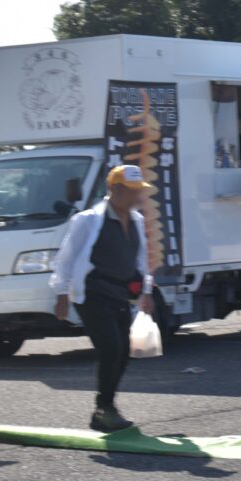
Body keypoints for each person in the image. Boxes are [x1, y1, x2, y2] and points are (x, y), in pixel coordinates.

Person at [50, 165, 156, 432]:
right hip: (92, 294)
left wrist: (147, 291)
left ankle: (104, 409)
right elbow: (66, 258)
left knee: (124, 351)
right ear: (115, 189)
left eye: (140, 191)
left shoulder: (136, 220)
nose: (137, 197)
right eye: (132, 191)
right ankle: (104, 408)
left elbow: (141, 259)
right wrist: (61, 293)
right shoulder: (87, 220)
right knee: (110, 347)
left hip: (121, 295)